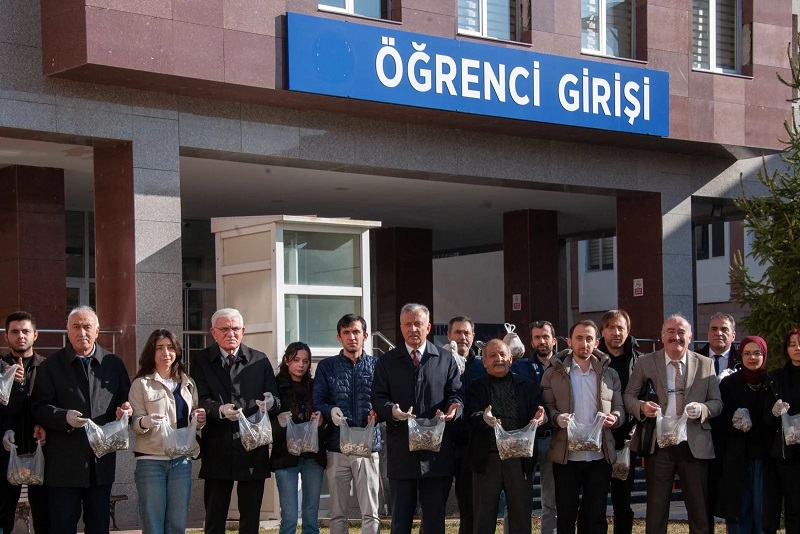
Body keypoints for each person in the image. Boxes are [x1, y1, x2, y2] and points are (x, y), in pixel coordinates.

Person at [31, 306, 132, 534]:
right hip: (63, 465)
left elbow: (125, 399)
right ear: (68, 331)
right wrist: (63, 416)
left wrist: (125, 409)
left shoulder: (113, 364)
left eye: (87, 327)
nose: (82, 332)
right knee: (62, 527)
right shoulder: (51, 366)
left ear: (97, 331)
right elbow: (38, 406)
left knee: (98, 526)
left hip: (100, 464)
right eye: (76, 327)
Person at [623, 314, 722, 534]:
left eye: (681, 332)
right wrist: (641, 407)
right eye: (670, 332)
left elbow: (717, 402)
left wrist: (702, 409)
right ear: (661, 336)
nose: (675, 337)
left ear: (690, 337)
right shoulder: (645, 362)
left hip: (694, 444)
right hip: (659, 446)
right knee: (657, 510)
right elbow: (628, 396)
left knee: (700, 511)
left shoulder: (705, 364)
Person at [371, 303, 462, 534]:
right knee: (400, 521)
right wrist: (392, 411)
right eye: (408, 324)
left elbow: (456, 394)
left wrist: (454, 408)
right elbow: (378, 398)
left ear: (428, 327)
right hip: (402, 452)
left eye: (418, 324)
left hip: (436, 454)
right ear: (400, 328)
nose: (413, 329)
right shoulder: (387, 362)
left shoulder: (444, 359)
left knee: (434, 521)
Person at [190, 308, 281, 534]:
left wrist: (271, 402)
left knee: (250, 518)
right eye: (225, 329)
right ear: (213, 332)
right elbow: (198, 397)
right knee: (215, 516)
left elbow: (275, 397)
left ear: (243, 331)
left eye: (236, 329)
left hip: (252, 447)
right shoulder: (201, 359)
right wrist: (217, 409)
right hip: (217, 445)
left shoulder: (259, 360)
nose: (231, 334)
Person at [542, 319, 622, 534]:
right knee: (566, 516)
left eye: (589, 339)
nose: (584, 344)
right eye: (579, 338)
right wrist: (557, 418)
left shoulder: (609, 374)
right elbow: (546, 407)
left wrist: (615, 417)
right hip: (566, 456)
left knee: (595, 516)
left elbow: (620, 408)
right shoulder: (553, 373)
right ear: (569, 342)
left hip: (599, 456)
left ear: (596, 343)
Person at [129, 329, 207, 534]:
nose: (166, 353)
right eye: (160, 348)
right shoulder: (141, 384)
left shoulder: (187, 383)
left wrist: (198, 421)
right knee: (153, 524)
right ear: (151, 353)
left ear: (177, 351)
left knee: (177, 523)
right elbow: (134, 424)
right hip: (150, 461)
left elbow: (192, 421)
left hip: (181, 460)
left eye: (170, 347)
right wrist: (145, 421)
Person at [466, 339, 545, 534]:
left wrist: (540, 416)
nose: (498, 359)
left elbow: (538, 411)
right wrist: (483, 418)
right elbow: (469, 416)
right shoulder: (475, 387)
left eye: (502, 355)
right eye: (492, 356)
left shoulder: (526, 385)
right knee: (483, 520)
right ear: (483, 361)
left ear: (511, 359)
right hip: (487, 459)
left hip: (519, 460)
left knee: (521, 519)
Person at [313, 314, 381, 534]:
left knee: (370, 511)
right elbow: (318, 400)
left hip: (368, 447)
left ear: (365, 335)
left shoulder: (377, 365)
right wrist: (329, 410)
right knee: (338, 513)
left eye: (356, 332)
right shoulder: (327, 367)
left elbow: (385, 398)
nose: (352, 337)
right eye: (346, 332)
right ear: (339, 337)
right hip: (336, 447)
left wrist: (379, 413)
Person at [712, 335, 770, 534]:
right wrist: (733, 422)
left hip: (763, 456)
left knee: (761, 509)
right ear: (740, 355)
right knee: (739, 509)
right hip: (736, 457)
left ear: (764, 355)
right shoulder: (729, 384)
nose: (752, 358)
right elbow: (718, 421)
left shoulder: (771, 383)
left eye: (757, 353)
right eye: (747, 353)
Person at [0, 311, 49, 534]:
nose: (21, 336)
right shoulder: (1, 368)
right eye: (15, 331)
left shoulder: (48, 367)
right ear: (6, 337)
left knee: (44, 514)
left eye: (26, 331)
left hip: (41, 450)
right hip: (6, 452)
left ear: (35, 335)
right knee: (3, 513)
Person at [272, 342, 326, 534]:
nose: (301, 365)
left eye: (305, 361)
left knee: (311, 516)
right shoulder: (276, 385)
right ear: (286, 360)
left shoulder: (315, 385)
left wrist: (321, 421)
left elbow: (325, 412)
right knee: (289, 518)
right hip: (285, 456)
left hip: (313, 456)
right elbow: (270, 421)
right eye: (296, 360)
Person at [510, 320, 558, 534]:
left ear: (554, 340)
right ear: (531, 342)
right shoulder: (520, 367)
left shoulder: (563, 367)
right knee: (518, 498)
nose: (541, 341)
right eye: (537, 337)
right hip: (525, 440)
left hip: (553, 439)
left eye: (545, 336)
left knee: (552, 500)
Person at [598, 309, 642, 534]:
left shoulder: (638, 360)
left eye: (621, 328)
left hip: (627, 437)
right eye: (611, 327)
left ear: (628, 330)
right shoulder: (593, 358)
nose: (616, 332)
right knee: (594, 498)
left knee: (623, 499)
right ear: (603, 331)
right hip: (597, 437)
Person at [444, 315, 485, 534]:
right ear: (449, 335)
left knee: (469, 508)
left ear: (473, 337)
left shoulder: (481, 366)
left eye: (466, 333)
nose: (462, 337)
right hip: (441, 444)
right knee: (434, 506)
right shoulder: (438, 362)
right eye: (457, 332)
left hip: (470, 445)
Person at [762, 328, 800, 534]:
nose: (798, 348)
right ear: (786, 349)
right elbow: (766, 419)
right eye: (792, 344)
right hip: (788, 453)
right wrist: (775, 412)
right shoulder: (776, 378)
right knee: (793, 508)